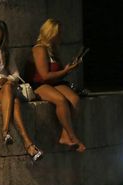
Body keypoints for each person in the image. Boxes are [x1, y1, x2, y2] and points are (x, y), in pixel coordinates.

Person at [0, 20, 43, 162]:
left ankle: (6, 132)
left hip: (7, 86)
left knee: (10, 93)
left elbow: (16, 75)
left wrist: (5, 80)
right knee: (15, 101)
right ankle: (28, 143)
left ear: (3, 35)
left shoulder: (5, 51)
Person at [30, 18, 86, 152]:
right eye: (58, 33)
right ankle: (73, 137)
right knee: (61, 100)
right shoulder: (40, 48)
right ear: (51, 33)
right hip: (40, 84)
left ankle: (65, 135)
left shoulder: (53, 50)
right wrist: (66, 70)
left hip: (54, 83)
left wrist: (69, 69)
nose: (61, 36)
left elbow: (57, 74)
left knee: (75, 99)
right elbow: (44, 76)